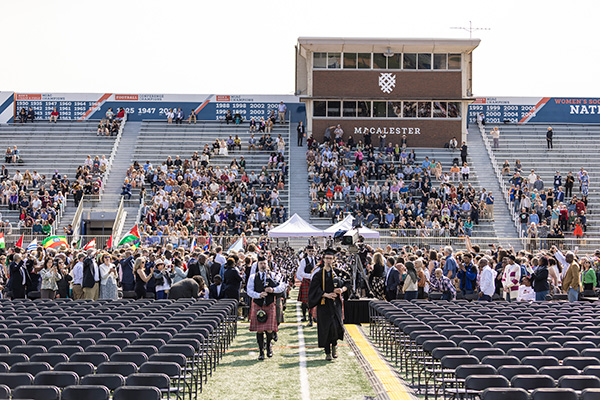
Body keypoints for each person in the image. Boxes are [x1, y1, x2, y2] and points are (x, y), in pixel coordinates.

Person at [308, 248, 349, 361]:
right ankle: (327, 352)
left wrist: (342, 290)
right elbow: (314, 289)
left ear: (334, 259)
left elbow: (348, 283)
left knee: (335, 327)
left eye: (330, 258)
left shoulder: (338, 272)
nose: (328, 260)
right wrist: (326, 295)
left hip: (335, 304)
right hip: (324, 304)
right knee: (326, 328)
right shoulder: (318, 274)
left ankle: (334, 345)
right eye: (327, 258)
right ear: (323, 259)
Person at [247, 254, 287, 360]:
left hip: (269, 304)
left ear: (267, 264)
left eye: (264, 263)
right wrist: (259, 295)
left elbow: (282, 286)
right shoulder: (253, 277)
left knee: (269, 329)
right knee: (259, 330)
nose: (263, 265)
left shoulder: (273, 275)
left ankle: (268, 346)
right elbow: (249, 290)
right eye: (261, 263)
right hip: (258, 304)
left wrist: (273, 290)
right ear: (258, 265)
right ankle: (261, 351)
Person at [297, 245, 317, 326]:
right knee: (306, 302)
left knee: (313, 300)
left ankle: (313, 317)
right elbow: (300, 272)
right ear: (306, 251)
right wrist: (310, 276)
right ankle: (308, 317)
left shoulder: (316, 260)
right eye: (310, 251)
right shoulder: (303, 261)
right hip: (307, 281)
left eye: (312, 251)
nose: (311, 252)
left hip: (315, 282)